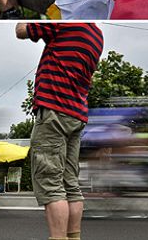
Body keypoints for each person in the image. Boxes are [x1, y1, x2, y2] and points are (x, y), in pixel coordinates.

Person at [16, 23, 104, 240]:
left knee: (51, 183)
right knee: (70, 184)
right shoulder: (97, 35)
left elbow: (21, 30)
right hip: (76, 114)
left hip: (54, 111)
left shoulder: (66, 22)